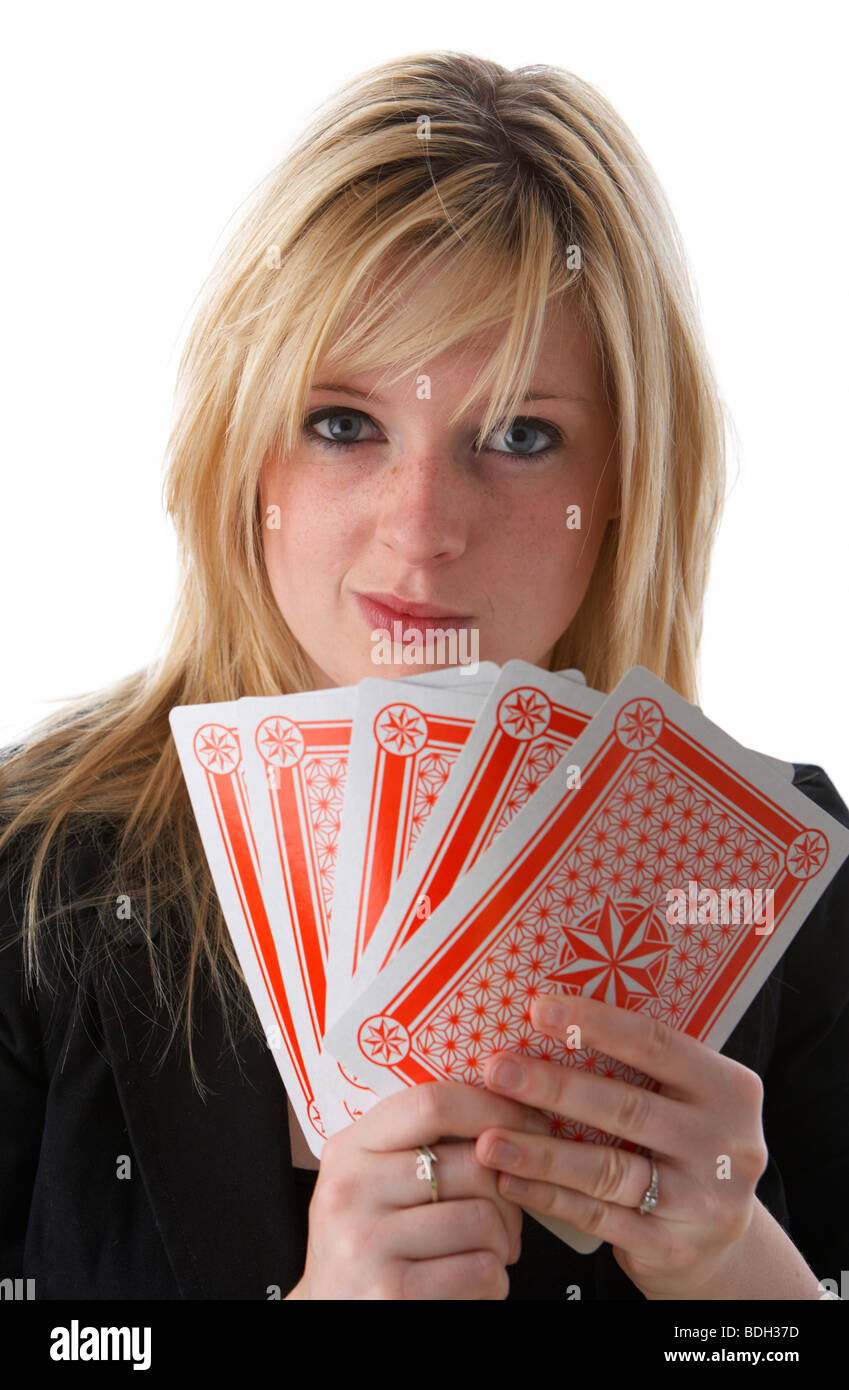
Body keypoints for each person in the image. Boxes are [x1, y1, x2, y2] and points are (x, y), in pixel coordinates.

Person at [1, 50, 847, 1302]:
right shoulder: (34, 885)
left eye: (519, 433)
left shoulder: (775, 889)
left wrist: (741, 1276)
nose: (421, 526)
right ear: (246, 453)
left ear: (621, 487)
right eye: (343, 422)